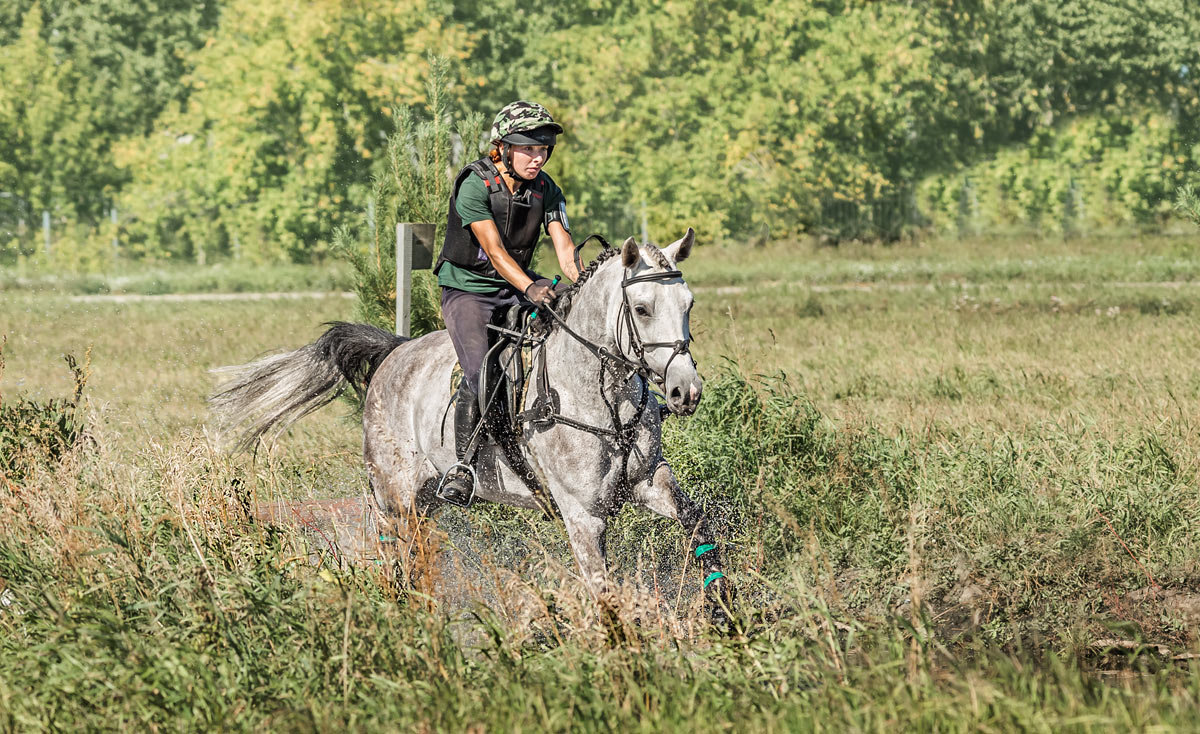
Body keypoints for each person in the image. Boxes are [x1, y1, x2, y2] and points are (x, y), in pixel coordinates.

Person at [433, 100, 581, 505]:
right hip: (469, 290)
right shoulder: (474, 185)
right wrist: (531, 288)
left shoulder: (546, 189)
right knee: (481, 372)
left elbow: (564, 247)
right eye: (529, 149)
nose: (538, 158)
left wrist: (582, 280)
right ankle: (462, 466)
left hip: (517, 284)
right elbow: (496, 253)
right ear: (503, 147)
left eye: (543, 149)